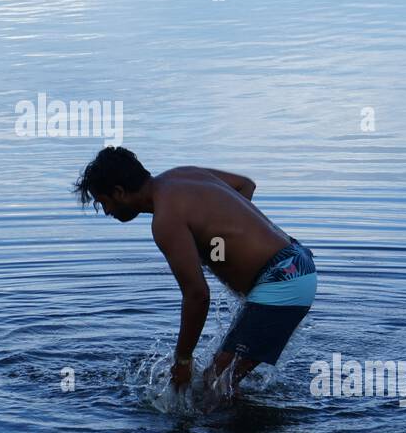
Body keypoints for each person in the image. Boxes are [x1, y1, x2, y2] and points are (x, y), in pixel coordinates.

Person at [73, 147, 316, 398]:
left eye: (103, 203)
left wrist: (182, 361)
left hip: (283, 281)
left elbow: (197, 295)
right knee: (220, 383)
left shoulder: (166, 220)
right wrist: (224, 244)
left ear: (119, 192)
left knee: (211, 389)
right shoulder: (182, 174)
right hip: (296, 261)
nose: (107, 212)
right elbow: (245, 185)